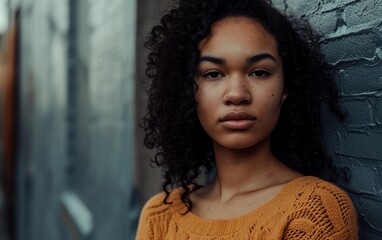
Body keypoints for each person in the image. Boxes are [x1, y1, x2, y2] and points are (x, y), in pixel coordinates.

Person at [136, 0, 358, 239]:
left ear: (285, 88)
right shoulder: (160, 215)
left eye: (259, 72)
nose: (237, 94)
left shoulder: (314, 211)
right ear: (189, 90)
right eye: (213, 74)